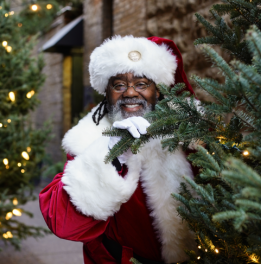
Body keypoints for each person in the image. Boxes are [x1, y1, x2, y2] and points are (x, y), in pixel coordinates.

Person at [39, 36, 198, 264]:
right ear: (107, 93)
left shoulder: (190, 136)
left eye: (142, 84)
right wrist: (110, 155)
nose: (130, 93)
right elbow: (62, 223)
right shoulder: (89, 140)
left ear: (159, 91)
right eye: (119, 85)